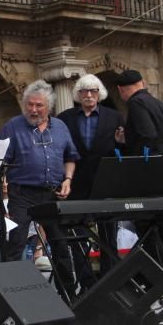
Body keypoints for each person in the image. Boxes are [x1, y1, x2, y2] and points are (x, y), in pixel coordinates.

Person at [0, 80, 80, 301]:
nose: (33, 110)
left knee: (60, 245)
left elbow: (70, 157)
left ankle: (69, 297)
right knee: (15, 244)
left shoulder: (61, 127)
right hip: (22, 193)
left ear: (49, 107)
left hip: (51, 193)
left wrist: (68, 180)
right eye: (29, 105)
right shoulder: (13, 126)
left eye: (38, 106)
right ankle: (13, 299)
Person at [116, 69, 163, 290]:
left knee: (148, 230)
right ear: (143, 83)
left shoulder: (136, 104)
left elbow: (147, 136)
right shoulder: (158, 103)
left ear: (121, 90)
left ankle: (160, 283)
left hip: (149, 176)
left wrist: (125, 142)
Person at [57, 73, 123, 278]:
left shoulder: (114, 116)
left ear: (99, 93)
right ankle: (85, 277)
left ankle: (109, 275)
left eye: (93, 91)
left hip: (105, 180)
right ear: (78, 94)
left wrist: (121, 142)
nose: (88, 95)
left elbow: (123, 146)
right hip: (76, 181)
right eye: (84, 91)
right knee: (77, 231)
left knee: (108, 231)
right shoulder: (64, 118)